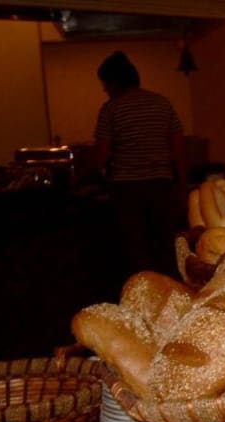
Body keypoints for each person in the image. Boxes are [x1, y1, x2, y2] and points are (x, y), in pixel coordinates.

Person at [94, 51, 187, 279]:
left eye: (106, 84)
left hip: (127, 189)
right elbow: (178, 149)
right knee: (165, 249)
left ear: (115, 82)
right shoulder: (162, 103)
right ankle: (172, 293)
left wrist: (95, 172)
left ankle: (142, 294)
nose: (105, 89)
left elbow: (101, 156)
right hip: (161, 185)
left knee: (136, 252)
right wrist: (182, 185)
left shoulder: (111, 108)